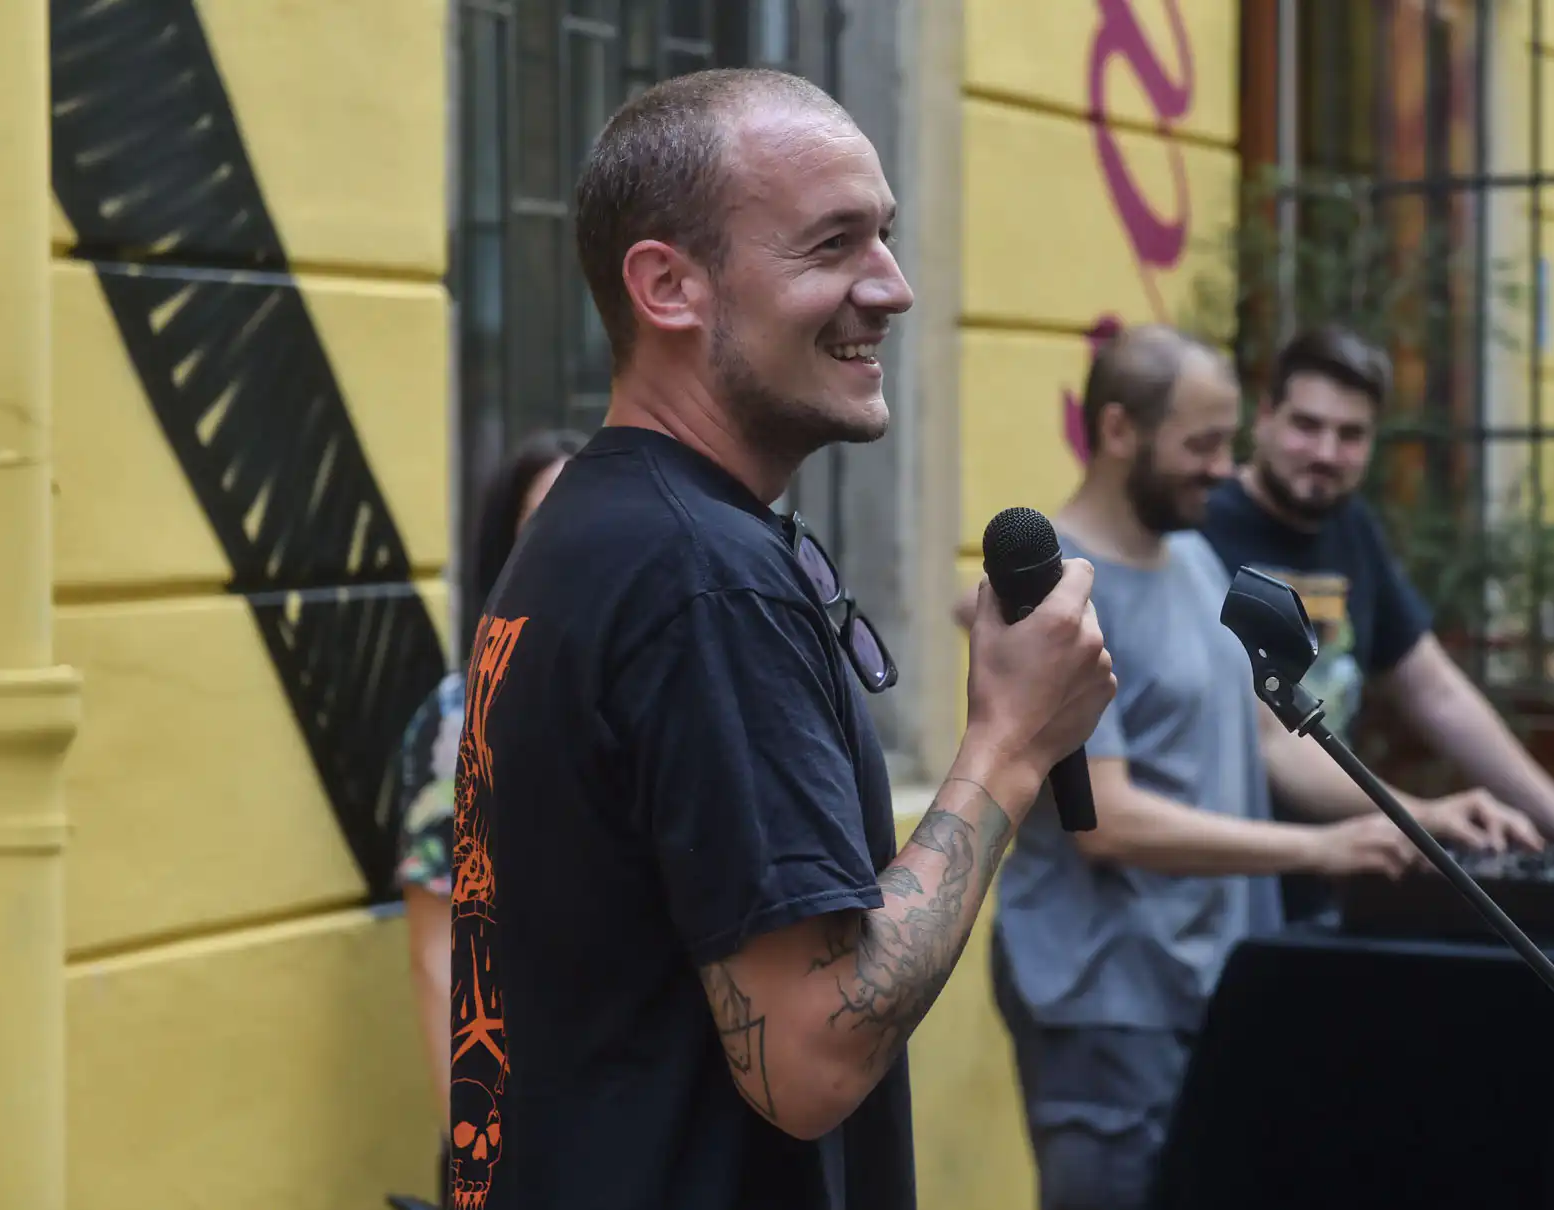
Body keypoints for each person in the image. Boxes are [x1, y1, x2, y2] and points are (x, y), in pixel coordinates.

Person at [444, 67, 1114, 1210]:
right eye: (832, 244)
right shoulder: (700, 580)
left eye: (885, 236)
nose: (892, 287)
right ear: (668, 285)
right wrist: (1009, 743)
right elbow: (808, 1057)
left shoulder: (597, 529)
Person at [962, 325, 1541, 1210]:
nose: (1222, 470)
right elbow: (1107, 822)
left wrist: (1413, 817)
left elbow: (1268, 746)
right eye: (1200, 445)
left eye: (1227, 442)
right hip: (1105, 1007)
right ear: (1118, 431)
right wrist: (1322, 851)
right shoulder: (1058, 601)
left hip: (1206, 983)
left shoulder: (1197, 563)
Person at [1200, 324, 1554, 865]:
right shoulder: (1200, 528)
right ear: (1265, 417)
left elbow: (1436, 691)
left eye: (1350, 435)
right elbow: (1271, 741)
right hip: (1227, 859)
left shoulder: (1353, 529)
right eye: (1307, 426)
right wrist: (1423, 817)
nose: (1326, 452)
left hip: (1329, 868)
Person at [392, 427, 583, 1201]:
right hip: (518, 1137)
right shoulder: (459, 719)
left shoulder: (646, 693)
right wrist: (478, 1157)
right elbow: (436, 957)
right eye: (545, 521)